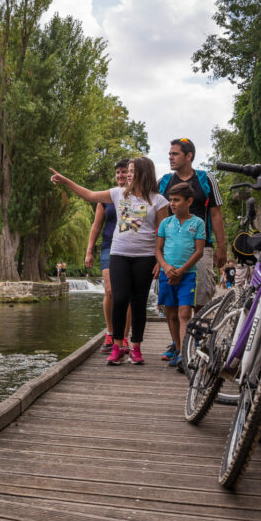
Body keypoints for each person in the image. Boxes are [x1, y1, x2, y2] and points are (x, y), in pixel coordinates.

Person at [51, 156, 169, 365]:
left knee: (139, 302)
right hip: (119, 255)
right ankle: (117, 347)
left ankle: (136, 348)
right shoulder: (117, 194)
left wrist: (160, 261)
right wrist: (66, 180)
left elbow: (163, 234)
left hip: (145, 257)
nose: (128, 174)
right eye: (127, 170)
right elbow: (88, 194)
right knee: (120, 297)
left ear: (143, 172)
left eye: (132, 170)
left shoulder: (159, 201)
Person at [158, 138, 226, 309]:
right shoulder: (163, 182)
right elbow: (155, 217)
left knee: (201, 299)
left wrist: (221, 247)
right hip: (171, 250)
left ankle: (197, 336)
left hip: (201, 249)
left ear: (189, 156)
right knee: (171, 304)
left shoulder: (206, 179)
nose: (170, 157)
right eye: (169, 154)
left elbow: (216, 214)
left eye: (175, 154)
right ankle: (178, 337)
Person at [155, 183, 206, 369]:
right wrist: (166, 267)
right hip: (166, 274)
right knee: (171, 314)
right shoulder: (165, 223)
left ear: (189, 201)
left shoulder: (198, 223)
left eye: (177, 200)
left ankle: (185, 354)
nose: (172, 204)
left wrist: (182, 270)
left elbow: (199, 251)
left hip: (187, 275)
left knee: (184, 312)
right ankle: (177, 348)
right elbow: (158, 250)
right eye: (170, 200)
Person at [85, 159, 132, 353]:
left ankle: (125, 337)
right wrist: (89, 250)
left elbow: (132, 227)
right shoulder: (106, 197)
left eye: (124, 172)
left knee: (126, 294)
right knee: (110, 291)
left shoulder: (135, 197)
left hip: (128, 248)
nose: (121, 176)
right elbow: (96, 226)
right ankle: (111, 333)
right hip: (107, 247)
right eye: (118, 172)